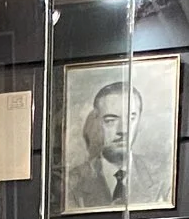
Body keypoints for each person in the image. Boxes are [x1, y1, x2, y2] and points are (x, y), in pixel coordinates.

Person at [67, 79, 163, 209]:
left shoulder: (161, 177)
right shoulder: (72, 183)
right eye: (110, 120)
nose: (123, 130)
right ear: (97, 124)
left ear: (140, 121)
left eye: (131, 119)